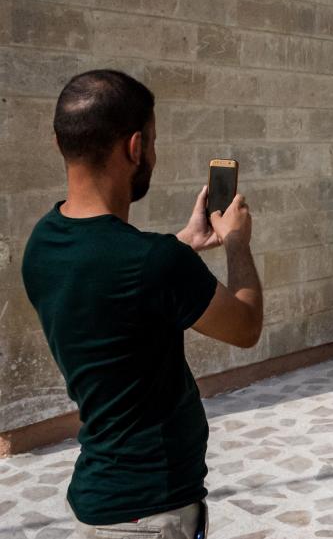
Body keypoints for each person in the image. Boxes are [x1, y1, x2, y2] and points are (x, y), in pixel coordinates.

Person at [22, 70, 264, 538]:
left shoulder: (43, 243)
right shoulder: (155, 262)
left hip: (100, 497)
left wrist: (185, 242)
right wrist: (237, 241)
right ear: (135, 147)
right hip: (150, 513)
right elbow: (246, 326)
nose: (154, 153)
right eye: (153, 141)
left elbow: (110, 274)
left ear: (60, 143)